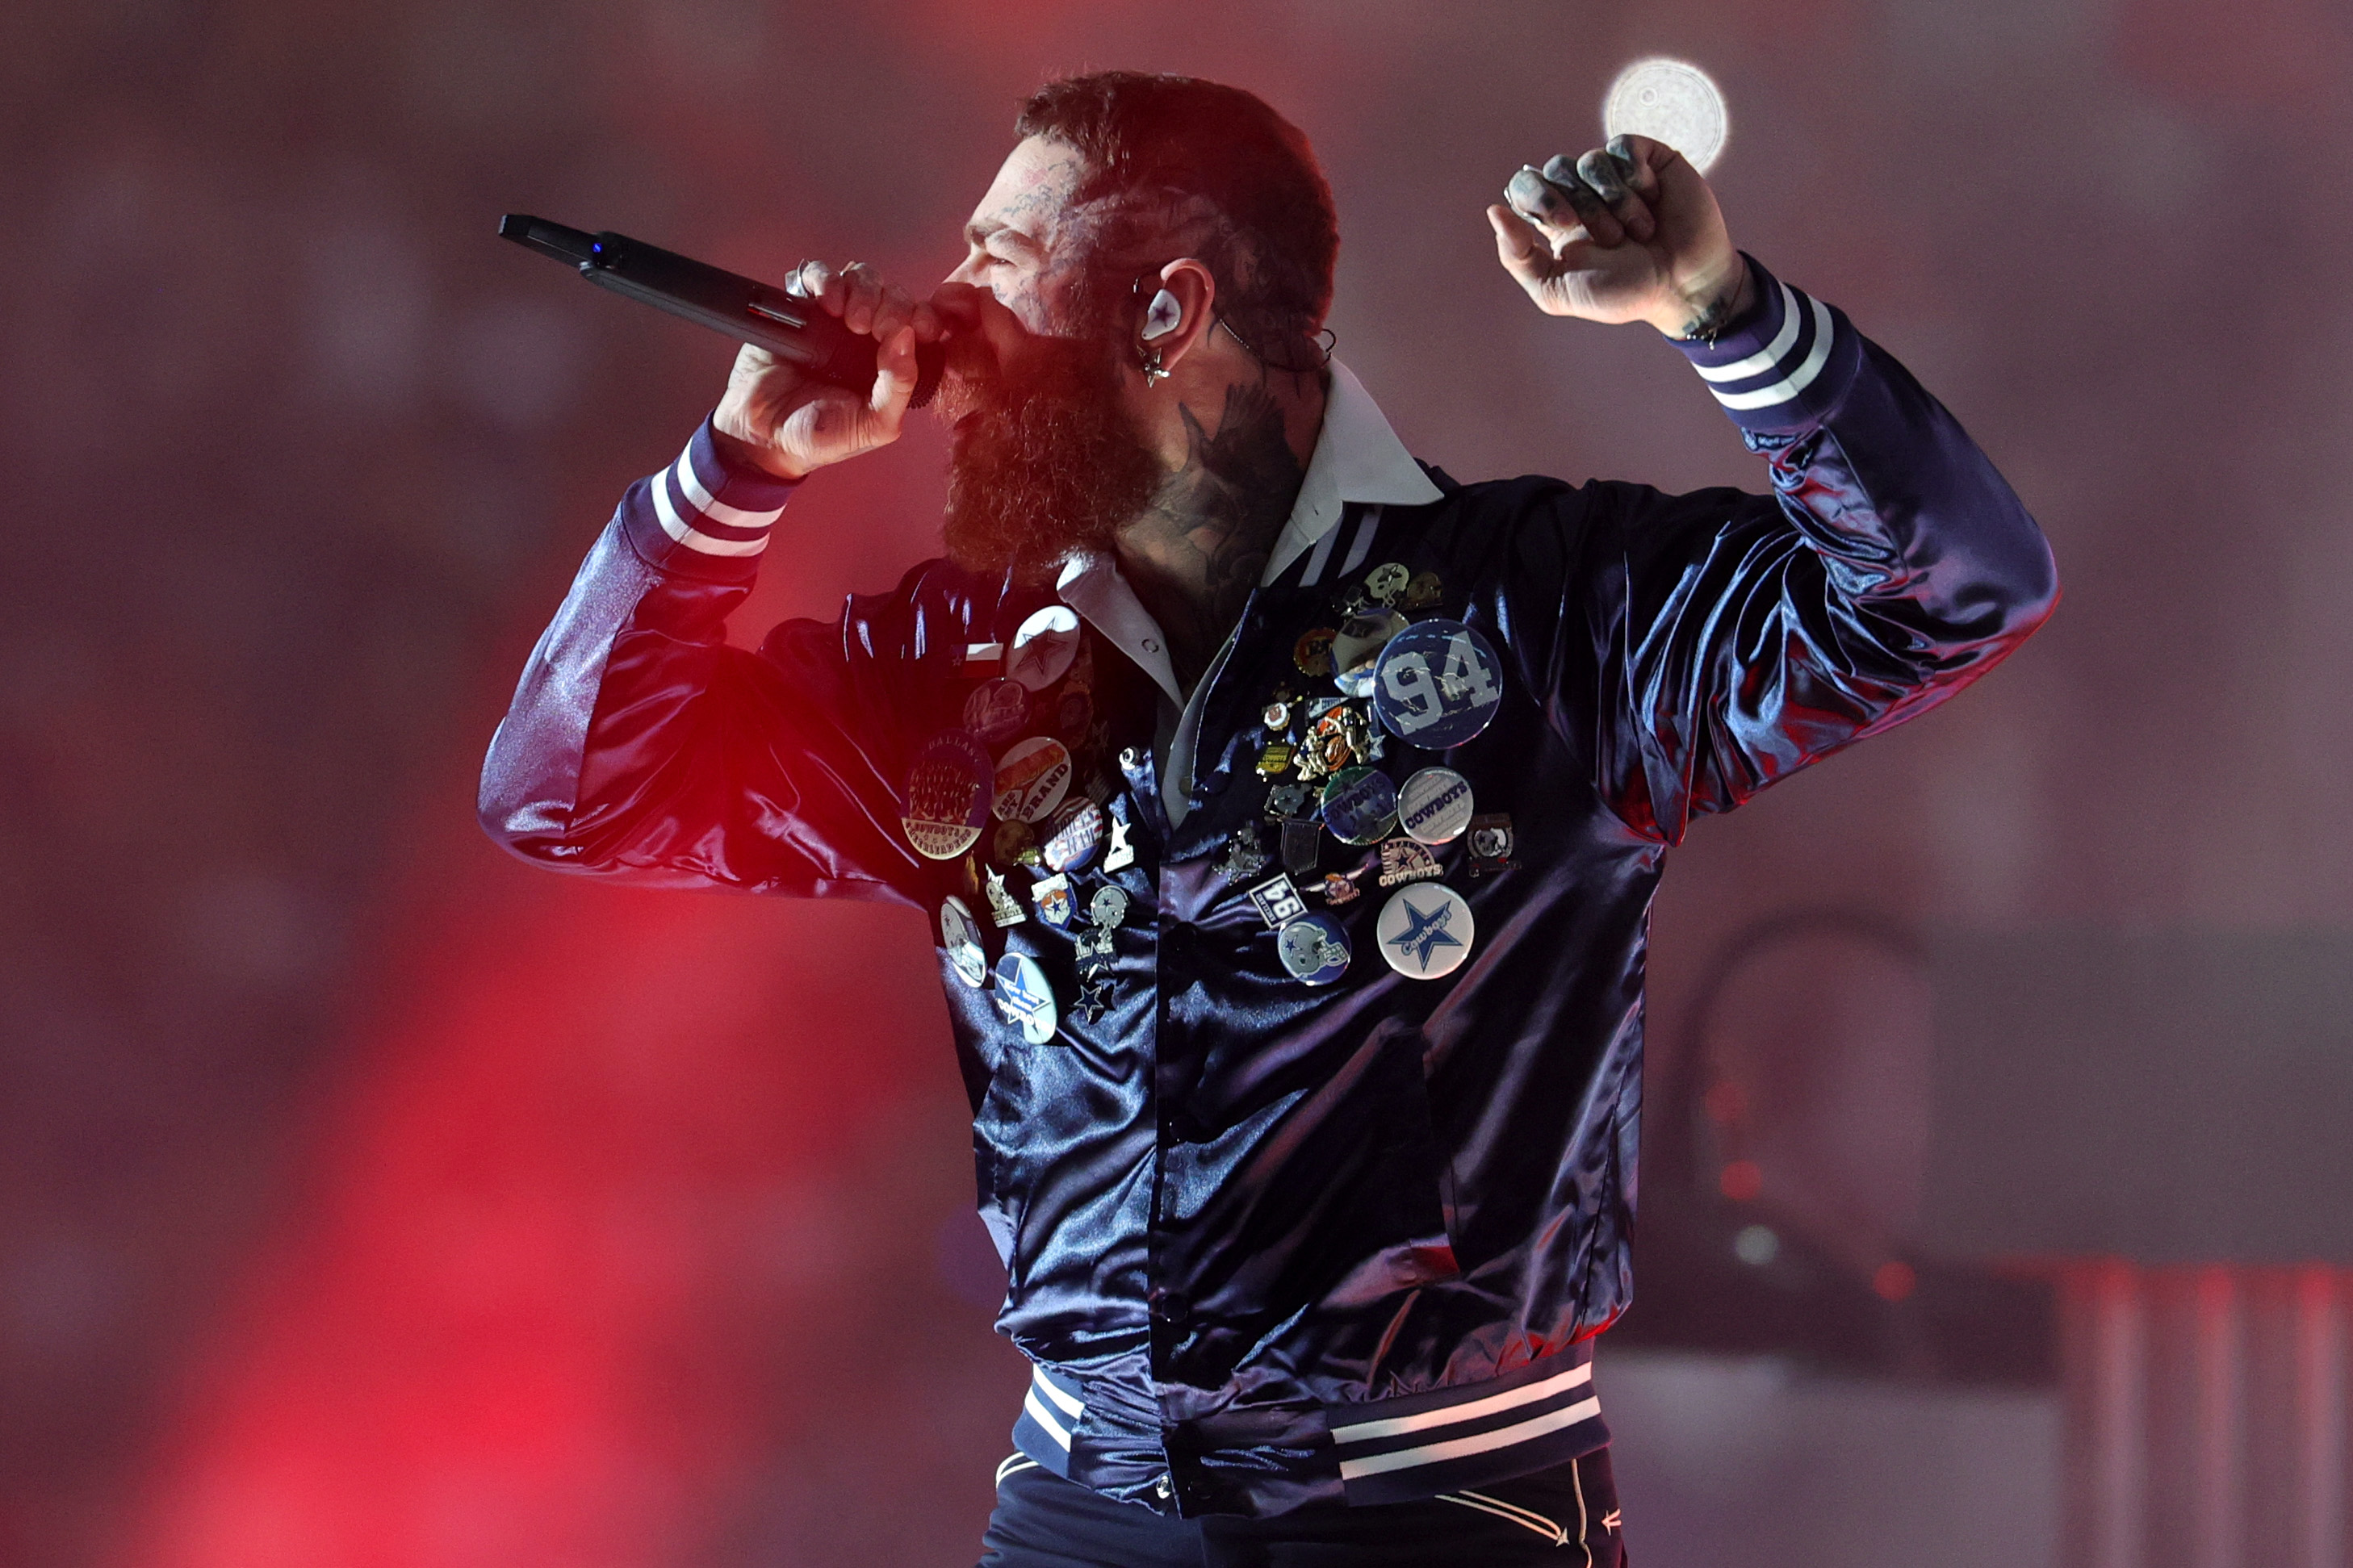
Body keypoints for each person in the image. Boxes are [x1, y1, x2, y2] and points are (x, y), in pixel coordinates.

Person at [479, 70, 2056, 1566]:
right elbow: (571, 790)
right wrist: (735, 469)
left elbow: (1956, 590)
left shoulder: (1545, 611)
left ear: (1168, 309)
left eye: (999, 258)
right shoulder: (956, 666)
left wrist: (1726, 313)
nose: (936, 306)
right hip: (1079, 1504)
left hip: (1445, 1515)